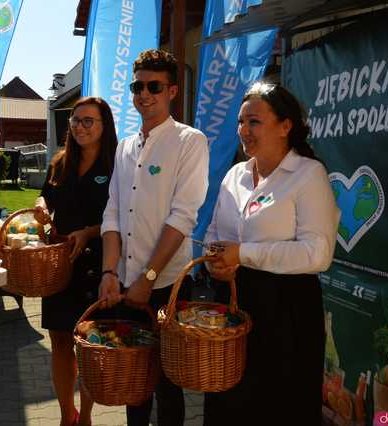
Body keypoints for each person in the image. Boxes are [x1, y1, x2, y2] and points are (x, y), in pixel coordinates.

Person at [202, 81, 340, 425]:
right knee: (228, 405)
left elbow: (318, 254)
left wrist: (243, 255)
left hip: (285, 313)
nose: (244, 131)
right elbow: (215, 233)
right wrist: (216, 262)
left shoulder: (309, 175)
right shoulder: (235, 175)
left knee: (279, 407)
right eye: (240, 122)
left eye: (254, 122)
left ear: (285, 126)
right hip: (232, 303)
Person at [98, 49, 209, 426]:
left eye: (154, 86)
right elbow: (112, 211)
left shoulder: (190, 141)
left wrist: (148, 278)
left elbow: (183, 217)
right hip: (125, 284)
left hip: (167, 286)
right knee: (135, 379)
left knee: (167, 383)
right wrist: (109, 273)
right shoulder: (125, 146)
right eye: (137, 86)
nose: (143, 94)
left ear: (172, 91)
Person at [33, 97, 118, 426]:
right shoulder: (60, 163)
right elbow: (45, 196)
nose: (80, 127)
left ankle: (87, 417)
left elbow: (123, 218)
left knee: (88, 344)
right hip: (60, 265)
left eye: (88, 121)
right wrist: (41, 206)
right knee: (59, 341)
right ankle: (67, 414)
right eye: (76, 121)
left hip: (98, 264)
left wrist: (89, 232)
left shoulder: (116, 166)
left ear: (103, 126)